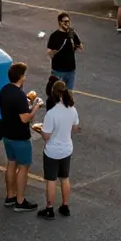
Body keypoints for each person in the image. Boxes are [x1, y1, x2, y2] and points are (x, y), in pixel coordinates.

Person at [0, 62, 40, 212]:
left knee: (11, 163)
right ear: (21, 77)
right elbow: (25, 118)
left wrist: (27, 103)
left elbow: (13, 109)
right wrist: (35, 107)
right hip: (20, 137)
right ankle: (20, 201)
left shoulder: (4, 90)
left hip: (7, 134)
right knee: (23, 167)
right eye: (25, 75)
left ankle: (10, 196)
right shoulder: (19, 95)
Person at [36, 80, 80, 220]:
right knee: (65, 178)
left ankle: (49, 208)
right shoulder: (72, 110)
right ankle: (65, 205)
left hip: (52, 151)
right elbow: (75, 128)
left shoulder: (51, 114)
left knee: (51, 180)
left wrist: (39, 130)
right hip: (67, 149)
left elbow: (46, 135)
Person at [47, 13, 82, 91]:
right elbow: (49, 52)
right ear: (60, 22)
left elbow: (80, 46)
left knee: (68, 94)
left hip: (70, 70)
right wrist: (55, 51)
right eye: (65, 21)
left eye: (68, 21)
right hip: (58, 71)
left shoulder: (71, 33)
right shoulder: (54, 36)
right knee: (57, 93)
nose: (67, 23)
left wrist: (75, 44)